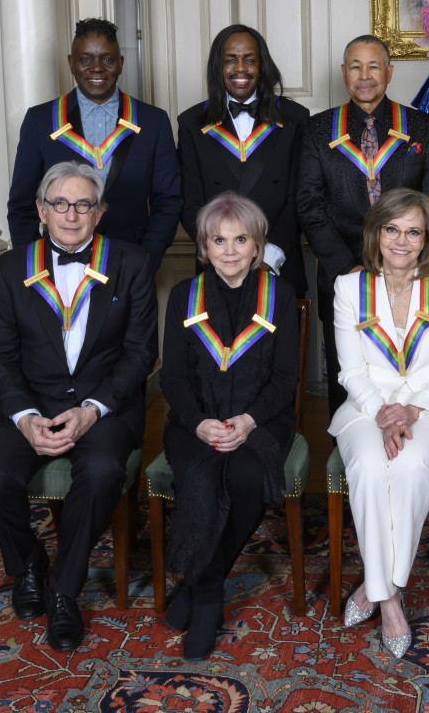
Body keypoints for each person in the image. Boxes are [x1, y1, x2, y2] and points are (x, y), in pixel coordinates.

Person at [0, 161, 157, 652]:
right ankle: (30, 562)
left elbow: (140, 354)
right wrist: (26, 418)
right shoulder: (11, 269)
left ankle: (64, 591)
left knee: (98, 473)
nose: (71, 214)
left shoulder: (132, 263)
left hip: (105, 406)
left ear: (99, 213)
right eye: (60, 204)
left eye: (83, 204)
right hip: (30, 404)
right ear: (41, 210)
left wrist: (93, 409)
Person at [329, 189, 429, 658]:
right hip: (363, 407)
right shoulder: (347, 288)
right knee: (373, 469)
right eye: (392, 229)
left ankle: (374, 589)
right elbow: (351, 371)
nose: (401, 240)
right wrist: (382, 411)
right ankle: (390, 599)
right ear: (376, 233)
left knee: (411, 467)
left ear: (426, 239)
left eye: (413, 231)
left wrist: (411, 409)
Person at [160, 192, 299, 660]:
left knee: (243, 477)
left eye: (241, 239)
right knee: (199, 475)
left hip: (260, 419)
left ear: (257, 245)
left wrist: (248, 420)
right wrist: (199, 423)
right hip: (193, 422)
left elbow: (286, 378)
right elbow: (173, 378)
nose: (231, 249)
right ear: (203, 247)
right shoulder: (184, 296)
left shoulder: (279, 296)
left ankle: (201, 586)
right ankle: (208, 599)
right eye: (219, 240)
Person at [297, 35, 429, 418]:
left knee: (409, 372)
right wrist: (349, 269)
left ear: (390, 73)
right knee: (346, 377)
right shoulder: (316, 130)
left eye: (374, 66)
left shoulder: (422, 127)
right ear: (344, 73)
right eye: (356, 67)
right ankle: (346, 461)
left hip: (408, 274)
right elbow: (309, 205)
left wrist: (407, 265)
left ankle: (405, 447)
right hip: (340, 270)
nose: (365, 76)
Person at [7, 18, 181, 272]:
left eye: (107, 60)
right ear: (71, 63)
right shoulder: (40, 121)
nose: (96, 68)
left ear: (120, 64)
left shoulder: (153, 121)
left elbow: (168, 201)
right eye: (85, 59)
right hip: (57, 265)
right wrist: (37, 267)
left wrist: (145, 260)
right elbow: (22, 204)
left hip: (130, 264)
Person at [177, 24, 310, 295]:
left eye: (249, 59)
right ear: (218, 66)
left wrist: (269, 256)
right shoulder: (191, 123)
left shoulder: (296, 118)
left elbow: (299, 197)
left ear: (262, 66)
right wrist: (221, 253)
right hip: (216, 266)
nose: (240, 68)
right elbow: (189, 201)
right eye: (230, 59)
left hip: (278, 264)